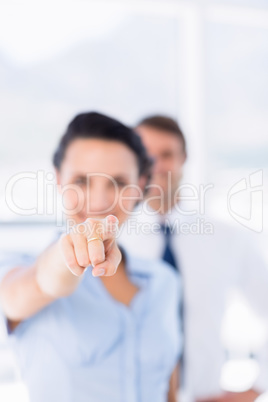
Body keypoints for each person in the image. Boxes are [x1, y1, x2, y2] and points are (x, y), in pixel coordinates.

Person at [0, 112, 182, 402]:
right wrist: (70, 253)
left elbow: (168, 389)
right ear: (59, 180)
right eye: (82, 181)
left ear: (140, 185)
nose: (99, 201)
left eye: (119, 182)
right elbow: (41, 283)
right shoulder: (15, 268)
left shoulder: (164, 281)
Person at [118, 115, 268, 402]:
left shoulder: (227, 239)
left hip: (204, 394)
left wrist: (256, 387)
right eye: (148, 156)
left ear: (184, 159)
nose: (158, 166)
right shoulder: (114, 242)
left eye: (167, 155)